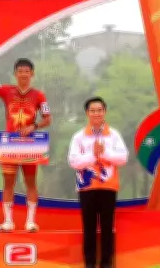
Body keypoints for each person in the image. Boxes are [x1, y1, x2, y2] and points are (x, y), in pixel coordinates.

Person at [0, 58, 51, 232]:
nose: (23, 74)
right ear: (15, 74)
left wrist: (34, 126)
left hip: (30, 143)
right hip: (10, 143)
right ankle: (8, 221)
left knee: (31, 182)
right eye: (20, 71)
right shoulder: (7, 90)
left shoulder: (39, 95)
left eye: (27, 71)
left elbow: (47, 119)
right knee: (8, 182)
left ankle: (30, 222)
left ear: (32, 74)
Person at [68, 97, 128, 268]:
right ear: (87, 113)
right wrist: (93, 155)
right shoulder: (79, 137)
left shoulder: (113, 135)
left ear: (105, 112)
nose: (96, 113)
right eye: (93, 110)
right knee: (89, 228)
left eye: (99, 110)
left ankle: (106, 263)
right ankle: (90, 263)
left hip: (108, 186)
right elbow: (73, 161)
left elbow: (123, 158)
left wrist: (104, 153)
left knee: (107, 227)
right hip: (87, 187)